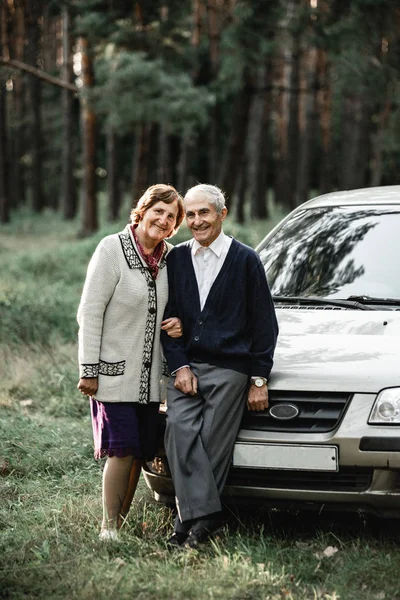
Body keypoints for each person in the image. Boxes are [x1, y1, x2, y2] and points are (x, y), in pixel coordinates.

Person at [161, 183, 278, 549]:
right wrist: (179, 367)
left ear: (221, 214)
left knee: (211, 439)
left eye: (204, 213)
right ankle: (207, 516)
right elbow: (168, 321)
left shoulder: (245, 260)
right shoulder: (176, 259)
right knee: (178, 432)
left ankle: (187, 524)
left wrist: (258, 377)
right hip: (186, 367)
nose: (197, 221)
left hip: (230, 369)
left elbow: (264, 324)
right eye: (191, 214)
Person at [77, 184, 185, 540]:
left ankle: (120, 522)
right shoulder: (111, 249)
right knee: (121, 451)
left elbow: (175, 308)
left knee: (139, 452)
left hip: (152, 379)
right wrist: (87, 370)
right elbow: (90, 313)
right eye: (159, 211)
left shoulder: (171, 258)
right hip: (111, 376)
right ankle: (108, 528)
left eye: (171, 217)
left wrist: (177, 321)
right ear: (143, 209)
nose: (164, 220)